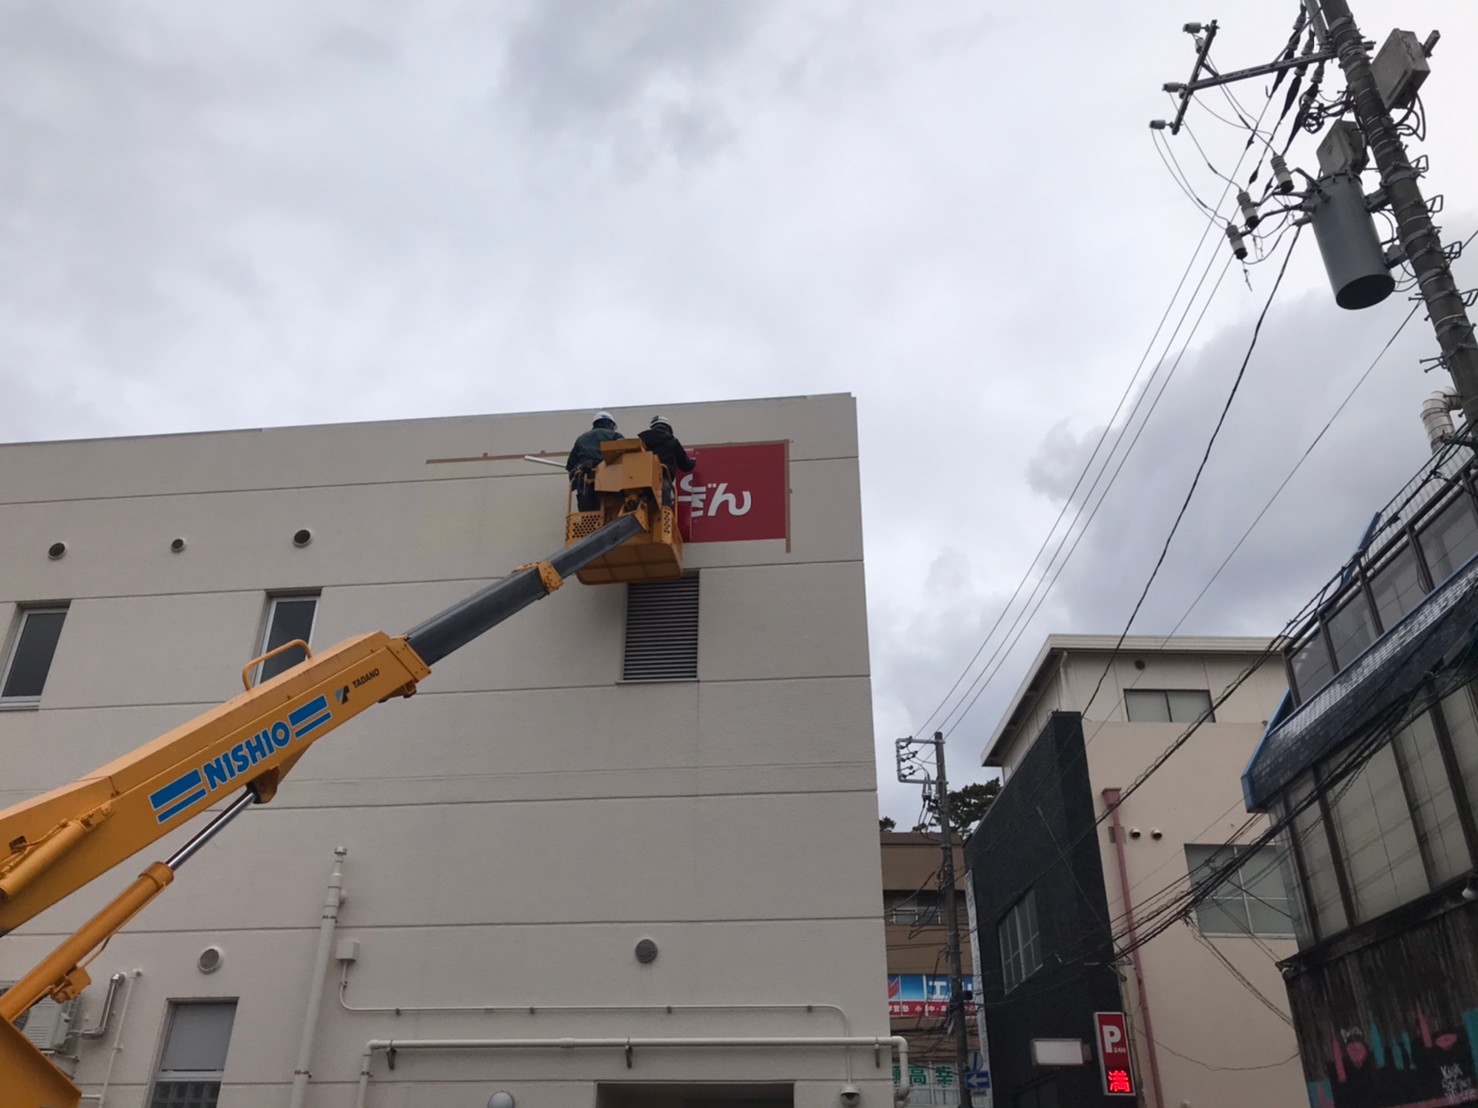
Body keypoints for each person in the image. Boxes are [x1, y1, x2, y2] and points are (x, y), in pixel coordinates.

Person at [566, 411, 622, 511]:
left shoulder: (582, 438)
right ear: (610, 424)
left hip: (585, 481)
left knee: (588, 509)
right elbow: (626, 457)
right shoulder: (615, 436)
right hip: (610, 482)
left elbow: (570, 465)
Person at [638, 415, 696, 506]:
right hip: (662, 480)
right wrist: (693, 462)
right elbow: (684, 464)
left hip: (640, 481)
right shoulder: (672, 441)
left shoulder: (641, 440)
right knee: (664, 505)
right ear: (668, 428)